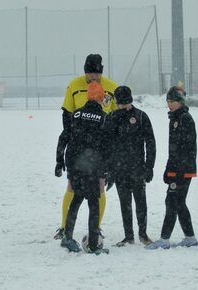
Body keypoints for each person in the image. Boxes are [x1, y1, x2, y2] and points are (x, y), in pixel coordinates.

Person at [54, 54, 117, 240]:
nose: (94, 78)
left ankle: (96, 229)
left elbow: (115, 117)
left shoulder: (111, 87)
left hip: (98, 149)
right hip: (79, 147)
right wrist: (71, 141)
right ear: (84, 72)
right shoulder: (73, 86)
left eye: (97, 75)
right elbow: (66, 114)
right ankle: (64, 227)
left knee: (100, 187)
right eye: (90, 74)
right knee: (72, 188)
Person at [59, 82, 110, 254]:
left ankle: (67, 237)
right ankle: (94, 244)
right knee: (94, 205)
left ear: (88, 96)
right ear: (101, 98)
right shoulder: (103, 118)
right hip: (91, 167)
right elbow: (106, 147)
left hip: (74, 165)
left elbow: (63, 137)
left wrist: (60, 161)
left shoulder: (75, 114)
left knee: (76, 199)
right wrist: (106, 171)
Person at [146, 86, 198, 249]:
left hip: (183, 170)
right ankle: (190, 237)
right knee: (179, 202)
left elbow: (186, 148)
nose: (169, 104)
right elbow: (174, 149)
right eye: (168, 101)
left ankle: (164, 239)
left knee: (172, 201)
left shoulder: (184, 118)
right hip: (177, 168)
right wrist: (169, 169)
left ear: (180, 102)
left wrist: (176, 171)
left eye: (173, 101)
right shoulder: (175, 118)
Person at [107, 86, 156, 247]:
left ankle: (143, 234)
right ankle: (129, 236)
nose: (122, 107)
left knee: (141, 202)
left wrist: (149, 167)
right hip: (120, 170)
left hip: (138, 168)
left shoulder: (141, 117)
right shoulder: (112, 117)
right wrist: (110, 170)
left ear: (130, 101)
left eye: (124, 103)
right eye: (120, 104)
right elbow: (107, 146)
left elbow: (150, 143)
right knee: (125, 203)